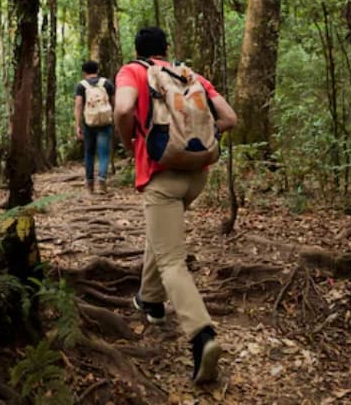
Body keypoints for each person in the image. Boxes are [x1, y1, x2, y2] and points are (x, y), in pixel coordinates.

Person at [114, 27, 238, 384]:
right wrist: (202, 138)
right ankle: (151, 301)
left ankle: (202, 335)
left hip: (161, 175)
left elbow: (122, 108)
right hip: (197, 176)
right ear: (166, 49)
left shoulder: (132, 71)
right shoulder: (188, 75)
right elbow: (229, 118)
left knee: (171, 261)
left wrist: (131, 142)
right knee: (161, 236)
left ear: (137, 50)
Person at [74, 60, 115, 194]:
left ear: (84, 72)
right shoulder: (107, 83)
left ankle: (90, 183)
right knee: (104, 153)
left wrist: (77, 124)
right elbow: (114, 103)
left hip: (89, 123)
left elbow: (78, 105)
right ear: (97, 70)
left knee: (89, 153)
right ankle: (102, 179)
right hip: (105, 122)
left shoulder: (81, 85)